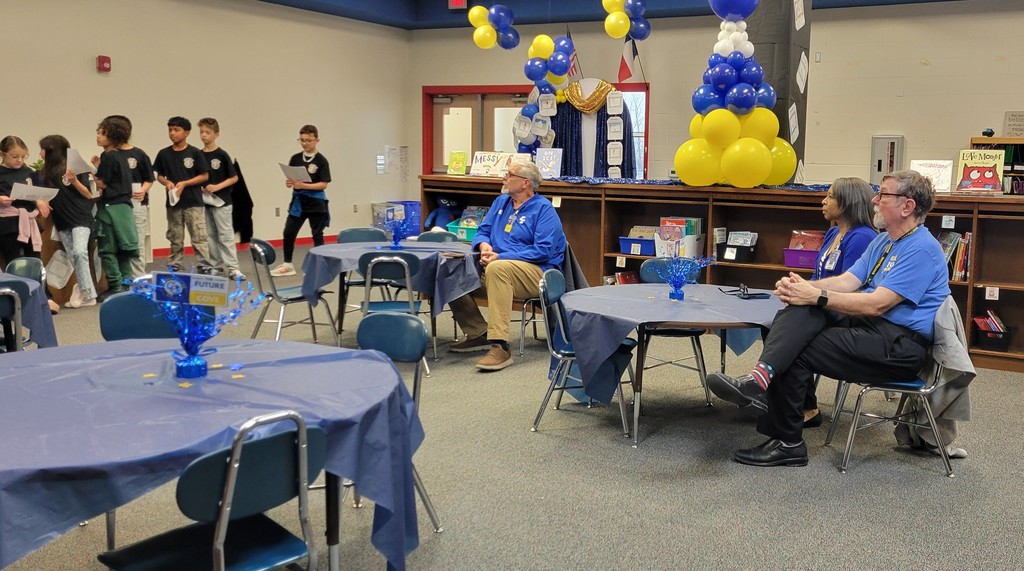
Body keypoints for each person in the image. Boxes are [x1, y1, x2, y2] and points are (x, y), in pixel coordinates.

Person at [706, 170, 949, 467]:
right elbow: (847, 280)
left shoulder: (922, 249)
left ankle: (787, 439)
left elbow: (876, 304)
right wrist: (804, 288)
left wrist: (816, 296)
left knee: (796, 347)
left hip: (897, 346)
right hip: (870, 330)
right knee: (800, 307)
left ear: (907, 206)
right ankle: (762, 378)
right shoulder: (884, 241)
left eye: (883, 195)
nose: (874, 199)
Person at [448, 160, 566, 371]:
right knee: (452, 268)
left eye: (510, 175)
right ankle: (477, 332)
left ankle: (500, 346)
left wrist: (500, 256)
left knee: (497, 269)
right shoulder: (501, 202)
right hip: (497, 267)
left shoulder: (543, 209)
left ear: (525, 183)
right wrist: (484, 245)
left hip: (538, 273)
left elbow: (543, 250)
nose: (504, 177)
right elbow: (483, 230)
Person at [800, 177, 877, 427]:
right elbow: (818, 275)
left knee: (794, 326)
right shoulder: (834, 231)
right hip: (822, 303)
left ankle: (790, 398)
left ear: (848, 202)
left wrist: (809, 296)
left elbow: (849, 288)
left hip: (846, 312)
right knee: (777, 320)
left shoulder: (862, 237)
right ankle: (797, 402)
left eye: (831, 196)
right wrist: (801, 289)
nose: (823, 201)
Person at [38, 135, 97, 308]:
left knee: (80, 252)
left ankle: (88, 293)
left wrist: (75, 181)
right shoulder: (46, 172)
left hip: (80, 217)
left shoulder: (75, 167)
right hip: (62, 220)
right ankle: (82, 288)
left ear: (51, 150)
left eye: (42, 149)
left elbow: (88, 194)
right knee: (73, 256)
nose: (40, 153)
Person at [153, 116, 212, 273]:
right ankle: (175, 264)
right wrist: (167, 183)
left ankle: (205, 266)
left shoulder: (195, 153)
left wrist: (185, 183)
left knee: (199, 237)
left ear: (186, 133)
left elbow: (204, 176)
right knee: (175, 237)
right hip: (174, 203)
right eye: (170, 130)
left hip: (193, 202)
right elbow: (158, 175)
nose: (172, 133)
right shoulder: (163, 153)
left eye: (176, 130)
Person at [271, 124, 331, 277]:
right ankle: (287, 264)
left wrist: (304, 185)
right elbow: (292, 178)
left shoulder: (321, 161)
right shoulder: (296, 158)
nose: (305, 143)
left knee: (317, 234)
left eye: (308, 140)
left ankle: (320, 265)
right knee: (289, 232)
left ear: (317, 140)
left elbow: (323, 184)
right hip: (298, 202)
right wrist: (290, 183)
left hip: (316, 202)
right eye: (302, 140)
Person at [92, 116, 139, 298]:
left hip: (111, 209)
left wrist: (92, 172)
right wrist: (99, 167)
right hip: (124, 208)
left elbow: (103, 183)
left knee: (108, 248)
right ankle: (127, 283)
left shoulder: (108, 156)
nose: (97, 136)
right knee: (124, 250)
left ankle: (115, 285)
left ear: (111, 136)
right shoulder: (122, 156)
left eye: (101, 133)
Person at [106, 115, 155, 279]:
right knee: (121, 242)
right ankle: (125, 277)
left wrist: (144, 189)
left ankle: (138, 277)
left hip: (137, 204)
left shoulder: (139, 154)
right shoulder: (110, 155)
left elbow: (149, 178)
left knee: (137, 242)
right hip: (118, 206)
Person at [197, 117, 244, 280]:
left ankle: (233, 268)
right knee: (210, 235)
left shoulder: (222, 155)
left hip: (222, 202)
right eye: (201, 132)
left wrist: (217, 187)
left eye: (207, 132)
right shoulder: (198, 155)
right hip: (205, 201)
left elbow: (234, 178)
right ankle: (216, 266)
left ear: (216, 134)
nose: (204, 136)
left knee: (225, 235)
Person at [0, 135, 51, 268]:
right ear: (3, 154)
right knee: (15, 262)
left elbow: (37, 191)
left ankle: (38, 287)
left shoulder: (28, 171)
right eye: (15, 156)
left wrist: (39, 200)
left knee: (35, 262)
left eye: (23, 156)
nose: (20, 160)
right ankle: (19, 287)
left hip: (29, 221)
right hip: (8, 224)